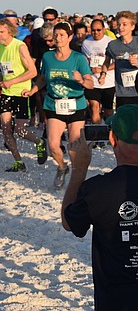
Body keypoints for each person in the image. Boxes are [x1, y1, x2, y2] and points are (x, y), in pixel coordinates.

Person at [62, 105, 138, 310]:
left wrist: (79, 169)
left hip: (115, 301)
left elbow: (69, 222)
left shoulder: (98, 189)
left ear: (113, 139)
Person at [23, 22, 94, 189]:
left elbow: (91, 84)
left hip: (75, 104)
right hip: (54, 104)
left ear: (70, 37)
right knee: (53, 145)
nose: (58, 38)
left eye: (62, 35)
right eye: (56, 35)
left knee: (73, 146)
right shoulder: (48, 57)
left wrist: (81, 80)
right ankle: (62, 167)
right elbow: (43, 77)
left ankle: (77, 178)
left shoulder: (78, 58)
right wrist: (33, 90)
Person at [0, 17, 47, 172]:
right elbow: (3, 70)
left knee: (20, 130)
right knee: (5, 128)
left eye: (2, 32)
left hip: (21, 93)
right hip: (6, 92)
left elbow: (33, 71)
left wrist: (12, 82)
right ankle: (18, 162)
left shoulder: (20, 46)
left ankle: (39, 142)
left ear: (10, 31)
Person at [83, 19, 116, 123]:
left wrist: (101, 70)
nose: (96, 32)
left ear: (104, 29)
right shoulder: (86, 43)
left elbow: (116, 63)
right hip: (93, 81)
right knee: (94, 106)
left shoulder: (111, 42)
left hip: (108, 82)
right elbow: (84, 60)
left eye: (98, 30)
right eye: (93, 30)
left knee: (108, 110)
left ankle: (110, 132)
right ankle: (97, 132)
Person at [104, 11, 138, 107]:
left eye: (124, 24)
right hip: (122, 92)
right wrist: (103, 74)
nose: (121, 27)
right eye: (119, 24)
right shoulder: (112, 45)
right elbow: (106, 62)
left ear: (132, 26)